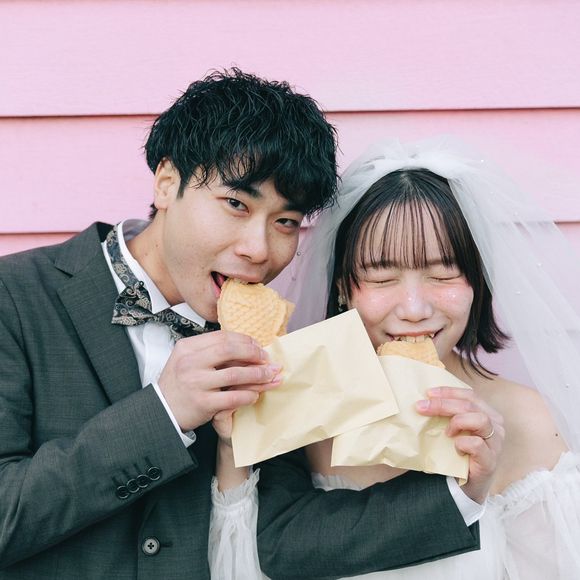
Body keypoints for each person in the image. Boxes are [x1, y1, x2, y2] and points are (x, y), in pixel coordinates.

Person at [0, 71, 488, 580]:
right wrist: (165, 412)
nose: (258, 249)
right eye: (236, 204)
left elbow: (284, 538)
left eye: (286, 222)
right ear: (166, 182)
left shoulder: (278, 348)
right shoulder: (13, 297)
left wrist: (464, 492)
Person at [211, 137, 580, 579]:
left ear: (477, 283)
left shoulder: (529, 424)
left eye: (442, 274)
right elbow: (247, 565)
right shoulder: (296, 413)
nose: (414, 308)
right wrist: (234, 444)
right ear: (343, 287)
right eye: (383, 278)